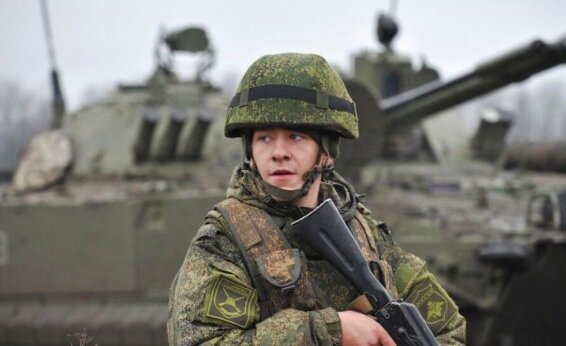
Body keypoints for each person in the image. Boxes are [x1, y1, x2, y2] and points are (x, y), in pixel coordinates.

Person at [167, 53, 466, 345]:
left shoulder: (362, 230)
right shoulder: (226, 239)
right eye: (264, 138)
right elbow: (201, 339)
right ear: (250, 151)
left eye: (296, 137)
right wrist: (330, 332)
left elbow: (446, 326)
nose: (278, 152)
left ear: (326, 152)